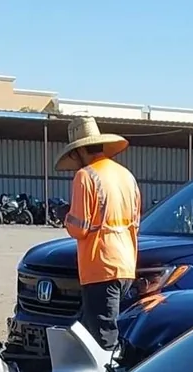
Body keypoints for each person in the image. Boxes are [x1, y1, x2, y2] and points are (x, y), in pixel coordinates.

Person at [56, 115, 142, 351]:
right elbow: (135, 222)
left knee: (102, 341)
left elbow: (79, 227)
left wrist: (66, 215)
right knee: (97, 332)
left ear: (79, 151)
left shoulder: (85, 176)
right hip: (125, 265)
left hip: (100, 268)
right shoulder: (126, 176)